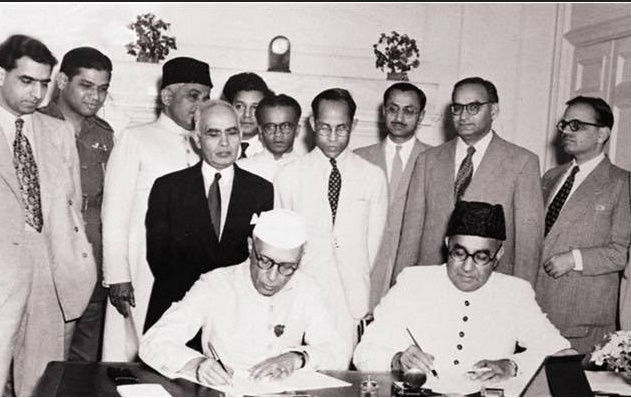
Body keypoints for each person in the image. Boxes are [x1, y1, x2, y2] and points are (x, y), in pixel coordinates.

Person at [354, 201, 571, 382]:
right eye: (458, 254)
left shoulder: (514, 292)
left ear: (499, 254)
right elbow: (364, 353)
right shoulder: (413, 282)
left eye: (481, 257)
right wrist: (397, 360)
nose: (467, 268)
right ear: (447, 244)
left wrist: (512, 365)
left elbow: (562, 353)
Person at [139, 209, 350, 385]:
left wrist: (296, 358)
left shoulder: (307, 288)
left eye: (287, 267)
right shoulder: (215, 284)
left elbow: (336, 351)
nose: (273, 277)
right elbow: (153, 342)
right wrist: (196, 365)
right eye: (265, 261)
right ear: (251, 246)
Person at [0, 34, 96, 396]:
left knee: (42, 381)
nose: (37, 93)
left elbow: (71, 207)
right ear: (0, 75)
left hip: (50, 269)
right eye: (26, 80)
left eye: (43, 83)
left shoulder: (58, 132)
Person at [101, 56, 212, 361]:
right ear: (167, 97)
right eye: (193, 95)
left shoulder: (208, 143)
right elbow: (114, 212)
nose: (201, 104)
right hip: (141, 269)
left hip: (192, 271)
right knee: (131, 354)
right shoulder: (135, 138)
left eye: (206, 96)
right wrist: (118, 274)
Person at [393, 77, 544, 287]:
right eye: (457, 108)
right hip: (431, 284)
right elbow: (410, 237)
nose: (463, 116)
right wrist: (401, 287)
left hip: (490, 286)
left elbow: (529, 244)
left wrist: (521, 296)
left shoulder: (522, 162)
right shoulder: (428, 160)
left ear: (493, 111)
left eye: (473, 107)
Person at [144, 100, 274, 339]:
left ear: (241, 135)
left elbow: (260, 259)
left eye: (231, 133)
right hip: (179, 313)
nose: (224, 143)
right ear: (196, 138)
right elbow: (159, 257)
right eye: (213, 134)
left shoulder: (261, 191)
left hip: (236, 316)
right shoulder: (168, 188)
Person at [274, 88, 387, 352]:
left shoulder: (372, 176)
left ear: (354, 125)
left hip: (349, 297)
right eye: (325, 128)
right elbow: (282, 242)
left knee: (338, 368)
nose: (333, 137)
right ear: (312, 124)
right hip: (301, 287)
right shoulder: (289, 176)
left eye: (341, 128)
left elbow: (373, 244)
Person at [535, 96, 631, 353]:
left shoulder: (622, 184)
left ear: (602, 134)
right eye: (564, 124)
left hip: (581, 319)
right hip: (536, 311)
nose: (566, 130)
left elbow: (620, 252)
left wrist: (574, 259)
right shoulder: (550, 177)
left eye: (576, 125)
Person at [38, 46, 114, 362]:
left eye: (103, 88)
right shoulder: (34, 125)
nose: (95, 96)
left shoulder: (105, 134)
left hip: (92, 255)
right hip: (50, 256)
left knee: (85, 358)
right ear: (63, 80)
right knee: (40, 357)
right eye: (86, 85)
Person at [354, 82, 432, 311]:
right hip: (367, 266)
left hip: (412, 268)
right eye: (393, 109)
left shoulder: (435, 159)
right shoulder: (359, 159)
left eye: (409, 111)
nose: (399, 117)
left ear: (421, 116)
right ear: (383, 111)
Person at [238, 93, 302, 182]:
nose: (278, 134)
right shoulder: (242, 169)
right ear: (260, 130)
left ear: (297, 130)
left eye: (286, 126)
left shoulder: (309, 170)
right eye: (270, 127)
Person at [221, 72, 273, 158]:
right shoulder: (214, 146)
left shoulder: (271, 150)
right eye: (240, 106)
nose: (247, 115)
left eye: (255, 107)